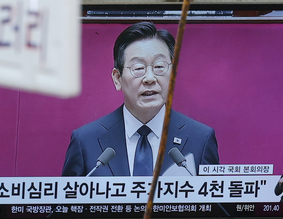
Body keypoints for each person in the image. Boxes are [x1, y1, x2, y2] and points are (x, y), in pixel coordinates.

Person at [61, 22, 219, 178]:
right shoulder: (86, 142)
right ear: (117, 79)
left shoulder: (200, 139)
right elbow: (67, 203)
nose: (150, 78)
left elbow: (215, 203)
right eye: (138, 68)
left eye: (159, 67)